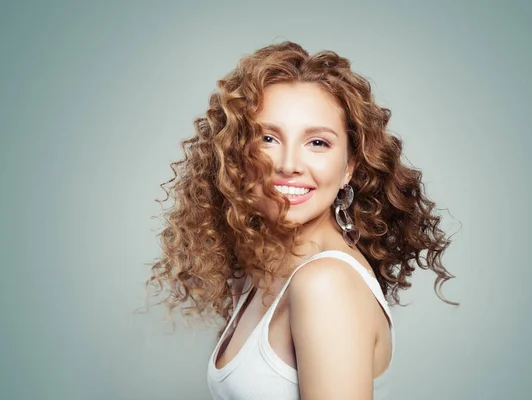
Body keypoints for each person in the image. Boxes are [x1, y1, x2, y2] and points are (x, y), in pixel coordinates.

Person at [146, 41, 458, 400]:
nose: (289, 164)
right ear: (236, 156)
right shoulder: (257, 272)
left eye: (318, 143)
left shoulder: (325, 283)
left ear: (349, 168)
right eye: (267, 138)